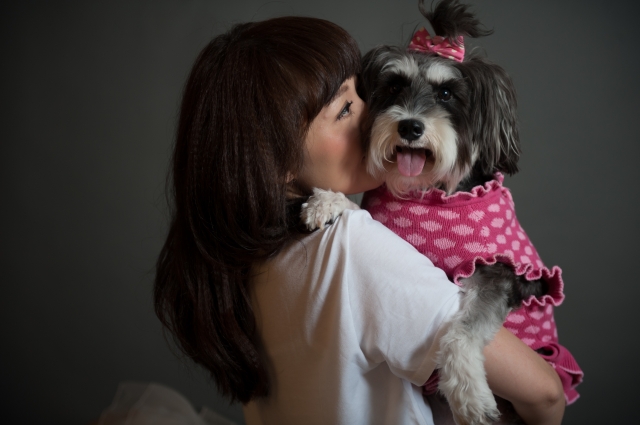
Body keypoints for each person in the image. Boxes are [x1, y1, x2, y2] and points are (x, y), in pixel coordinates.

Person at [154, 16, 565, 425]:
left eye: (361, 95)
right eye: (346, 109)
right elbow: (546, 394)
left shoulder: (253, 251)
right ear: (275, 163)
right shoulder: (353, 245)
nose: (371, 116)